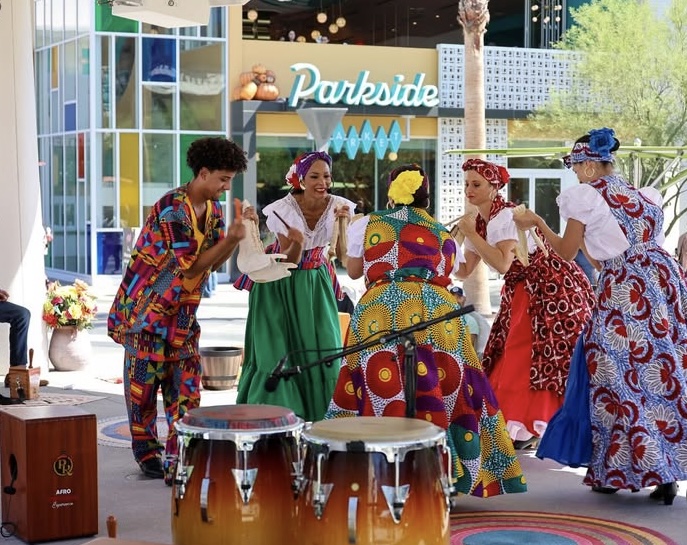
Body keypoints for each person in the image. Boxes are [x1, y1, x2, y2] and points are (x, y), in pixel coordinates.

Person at [325, 164, 527, 498]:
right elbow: (453, 271)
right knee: (442, 385)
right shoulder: (443, 232)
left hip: (382, 307)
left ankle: (378, 471)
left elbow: (355, 270)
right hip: (438, 311)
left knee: (382, 381)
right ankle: (441, 474)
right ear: (426, 198)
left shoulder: (368, 223)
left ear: (392, 193)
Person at [514, 127, 687, 504]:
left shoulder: (585, 197)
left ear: (591, 166)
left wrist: (537, 224)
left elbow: (565, 252)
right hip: (661, 286)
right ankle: (660, 471)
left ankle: (627, 468)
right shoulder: (642, 196)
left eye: (575, 166)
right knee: (657, 375)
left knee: (614, 378)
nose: (574, 174)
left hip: (625, 292)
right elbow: (605, 253)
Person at [107, 137, 249, 485]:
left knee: (186, 390)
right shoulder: (173, 209)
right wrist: (231, 239)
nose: (227, 186)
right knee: (142, 392)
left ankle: (180, 454)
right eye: (223, 179)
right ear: (203, 173)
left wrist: (232, 240)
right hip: (145, 313)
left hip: (182, 316)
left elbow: (212, 265)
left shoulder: (214, 211)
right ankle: (149, 455)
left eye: (230, 180)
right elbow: (188, 267)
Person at [455, 159, 594, 450]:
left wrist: (470, 235)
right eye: (467, 183)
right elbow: (464, 270)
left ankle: (533, 426)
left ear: (494, 187)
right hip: (523, 291)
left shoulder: (504, 216)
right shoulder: (480, 221)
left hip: (550, 288)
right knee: (515, 355)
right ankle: (522, 426)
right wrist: (443, 246)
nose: (469, 189)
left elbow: (503, 264)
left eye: (476, 184)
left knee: (538, 355)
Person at [235, 151, 356, 423]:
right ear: (301, 179)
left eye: (326, 175)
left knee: (324, 346)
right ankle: (276, 418)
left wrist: (344, 224)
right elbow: (290, 259)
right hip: (279, 283)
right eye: (314, 176)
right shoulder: (282, 209)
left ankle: (323, 415)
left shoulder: (339, 205)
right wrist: (299, 243)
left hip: (316, 283)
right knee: (277, 349)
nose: (322, 181)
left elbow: (343, 255)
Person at [448, 285, 490, 359]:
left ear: (464, 299)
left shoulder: (470, 321)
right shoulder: (442, 318)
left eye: (459, 297)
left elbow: (468, 348)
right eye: (452, 297)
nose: (456, 300)